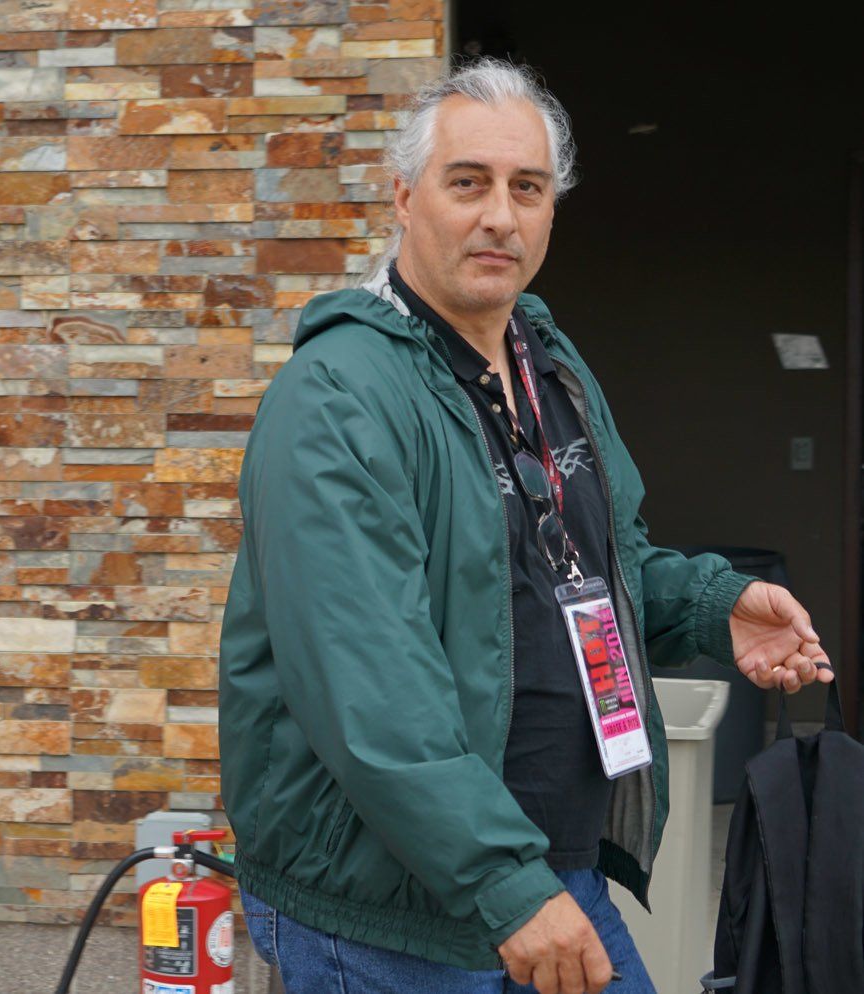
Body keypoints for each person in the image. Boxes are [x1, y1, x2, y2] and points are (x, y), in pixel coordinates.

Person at [219, 59, 832, 994]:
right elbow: (369, 686)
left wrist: (716, 606)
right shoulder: (337, 397)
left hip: (549, 868)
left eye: (527, 188)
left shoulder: (548, 363)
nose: (499, 214)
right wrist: (503, 884)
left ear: (551, 211)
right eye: (468, 183)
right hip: (398, 913)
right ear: (404, 198)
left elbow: (600, 563)